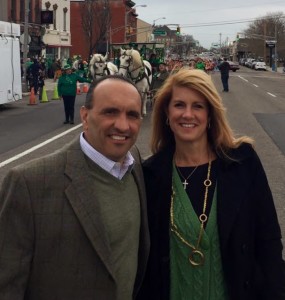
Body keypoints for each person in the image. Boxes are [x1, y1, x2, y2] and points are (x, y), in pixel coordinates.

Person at [138, 69, 285, 300]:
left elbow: (268, 241)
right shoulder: (150, 174)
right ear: (167, 112)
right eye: (179, 105)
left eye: (198, 106)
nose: (188, 114)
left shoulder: (243, 162)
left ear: (210, 114)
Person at [0, 75, 150, 300]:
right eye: (110, 112)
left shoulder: (135, 163)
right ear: (85, 117)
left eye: (132, 115)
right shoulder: (28, 183)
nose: (122, 125)